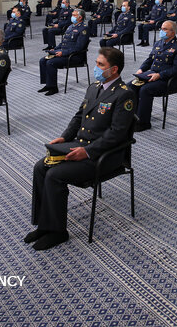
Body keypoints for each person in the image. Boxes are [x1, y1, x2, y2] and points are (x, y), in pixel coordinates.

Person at [26, 47, 136, 250]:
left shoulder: (124, 95)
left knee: (54, 175)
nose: (96, 67)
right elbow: (78, 117)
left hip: (104, 156)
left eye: (100, 65)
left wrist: (87, 152)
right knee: (40, 167)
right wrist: (64, 137)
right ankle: (44, 225)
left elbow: (117, 134)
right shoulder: (94, 87)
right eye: (96, 63)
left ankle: (58, 232)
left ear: (114, 70)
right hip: (80, 145)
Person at [128, 20, 177, 132]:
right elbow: (150, 59)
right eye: (161, 28)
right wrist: (141, 69)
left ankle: (144, 123)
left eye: (165, 29)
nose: (161, 31)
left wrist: (159, 75)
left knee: (145, 90)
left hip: (169, 79)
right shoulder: (158, 43)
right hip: (152, 75)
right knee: (131, 85)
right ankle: (134, 116)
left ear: (173, 32)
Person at [38, 9, 89, 96]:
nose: (72, 17)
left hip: (75, 56)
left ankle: (54, 88)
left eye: (74, 15)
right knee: (43, 60)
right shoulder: (70, 27)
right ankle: (48, 84)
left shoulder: (83, 28)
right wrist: (55, 49)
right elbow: (63, 42)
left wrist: (63, 53)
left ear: (80, 17)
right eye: (72, 15)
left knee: (51, 63)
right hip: (65, 53)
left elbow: (79, 47)